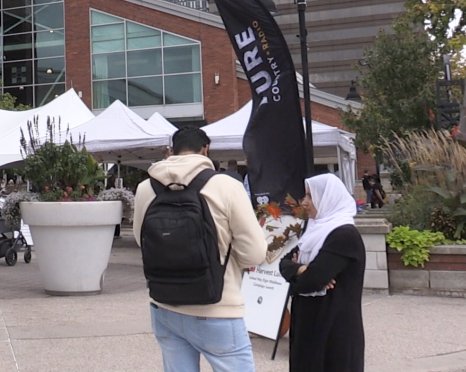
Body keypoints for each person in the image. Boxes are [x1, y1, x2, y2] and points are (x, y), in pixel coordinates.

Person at [134, 127, 267, 372]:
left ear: (171, 151)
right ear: (205, 149)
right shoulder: (225, 185)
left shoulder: (146, 188)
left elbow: (142, 240)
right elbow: (255, 253)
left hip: (164, 305)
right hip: (217, 306)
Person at [279, 173, 365, 372]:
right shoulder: (313, 232)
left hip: (333, 326)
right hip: (308, 321)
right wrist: (300, 269)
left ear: (327, 199)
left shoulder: (344, 235)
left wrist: (302, 274)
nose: (304, 202)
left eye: (310, 196)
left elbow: (312, 281)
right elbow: (283, 264)